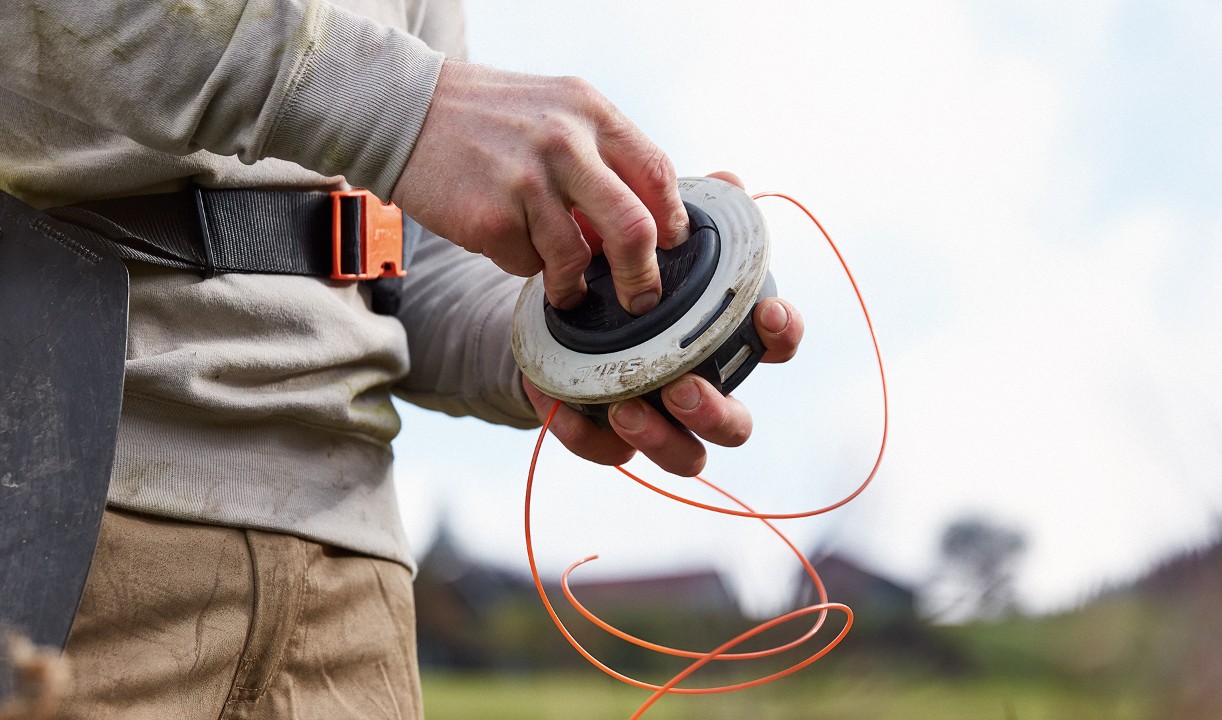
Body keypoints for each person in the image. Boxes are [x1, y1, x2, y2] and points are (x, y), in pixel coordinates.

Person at [0, 1, 804, 718]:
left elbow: (410, 263)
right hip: (62, 525)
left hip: (357, 582)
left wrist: (585, 351)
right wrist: (404, 108)